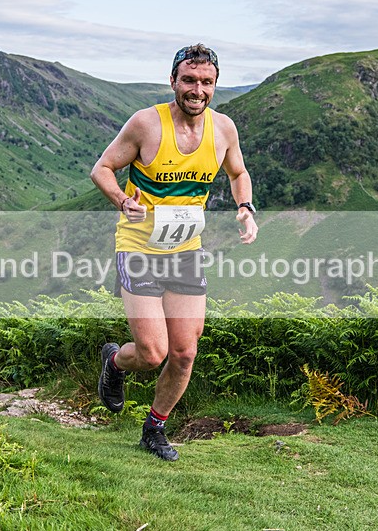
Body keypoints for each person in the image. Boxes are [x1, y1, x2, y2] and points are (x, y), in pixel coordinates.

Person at [90, 44, 258, 461]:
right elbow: (102, 169)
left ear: (215, 86)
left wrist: (245, 207)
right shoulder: (146, 124)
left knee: (184, 352)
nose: (197, 90)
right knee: (152, 353)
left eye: (206, 82)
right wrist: (120, 200)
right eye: (189, 80)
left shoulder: (224, 130)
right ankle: (115, 363)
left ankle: (154, 429)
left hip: (186, 249)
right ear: (173, 81)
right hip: (139, 247)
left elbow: (238, 172)